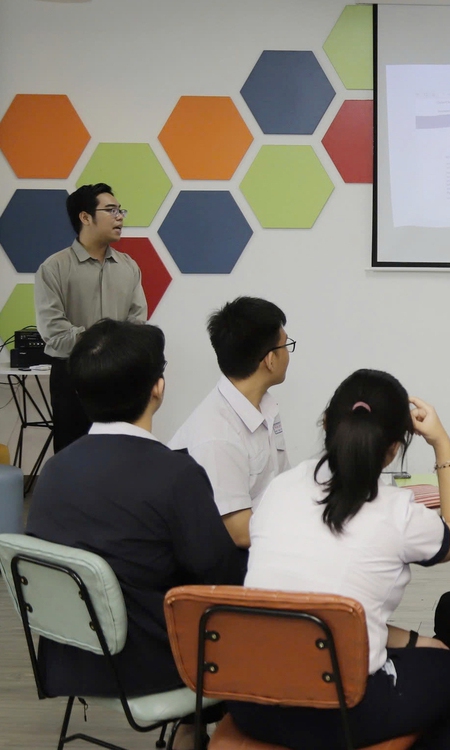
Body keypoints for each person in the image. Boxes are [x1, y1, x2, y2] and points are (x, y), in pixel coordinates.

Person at [227, 369, 450, 750]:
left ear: (325, 423)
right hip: (337, 711)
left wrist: (414, 641)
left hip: (250, 702)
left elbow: (322, 606)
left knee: (431, 656)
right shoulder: (396, 512)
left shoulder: (279, 490)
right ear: (394, 448)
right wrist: (441, 442)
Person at [24, 320, 245, 748]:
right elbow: (223, 577)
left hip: (68, 659)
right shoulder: (175, 474)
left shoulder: (53, 471)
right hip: (150, 666)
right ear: (157, 388)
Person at [169, 297, 291, 548]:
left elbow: (284, 485)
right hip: (232, 559)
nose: (288, 354)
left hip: (267, 541)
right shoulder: (216, 434)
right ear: (270, 360)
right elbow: (240, 533)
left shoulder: (266, 407)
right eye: (286, 345)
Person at [34, 183, 147, 452]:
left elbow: (137, 322)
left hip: (119, 374)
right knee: (73, 453)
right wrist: (106, 341)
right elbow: (54, 332)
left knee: (119, 453)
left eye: (120, 210)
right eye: (111, 210)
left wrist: (113, 347)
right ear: (85, 217)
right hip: (72, 375)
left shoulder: (129, 266)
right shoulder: (54, 268)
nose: (120, 217)